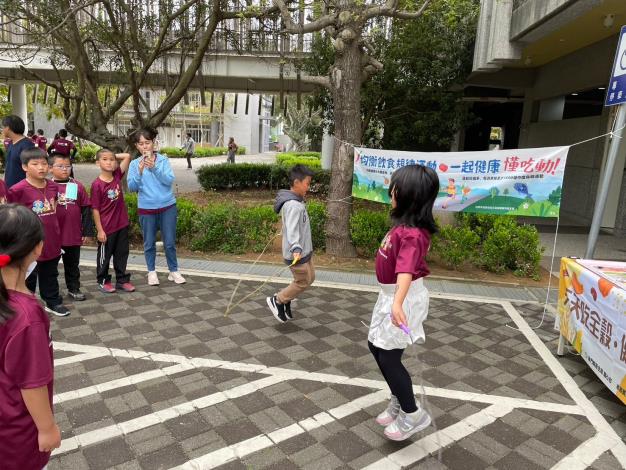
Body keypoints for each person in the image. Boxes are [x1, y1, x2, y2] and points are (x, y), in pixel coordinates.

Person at [368, 164, 438, 441]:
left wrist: (397, 303)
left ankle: (412, 413)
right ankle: (399, 398)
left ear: (408, 194)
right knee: (375, 347)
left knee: (388, 355)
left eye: (395, 187)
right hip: (390, 296)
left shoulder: (413, 235)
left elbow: (406, 270)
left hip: (402, 298)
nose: (390, 191)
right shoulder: (404, 226)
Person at [0, 204, 61, 469]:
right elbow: (32, 383)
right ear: (37, 248)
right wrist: (47, 428)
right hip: (18, 435)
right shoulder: (27, 317)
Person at [8, 148, 70, 317]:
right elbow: (13, 216)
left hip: (51, 239)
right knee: (28, 276)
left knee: (50, 273)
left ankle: (52, 302)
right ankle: (25, 305)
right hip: (28, 242)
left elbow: (55, 207)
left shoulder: (53, 186)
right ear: (24, 167)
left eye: (44, 163)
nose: (41, 168)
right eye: (35, 164)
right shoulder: (17, 190)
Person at [128, 128, 185, 286]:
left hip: (167, 206)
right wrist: (139, 172)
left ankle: (173, 271)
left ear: (153, 143)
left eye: (147, 142)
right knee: (149, 242)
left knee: (169, 242)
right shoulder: (134, 164)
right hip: (146, 208)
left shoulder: (162, 160)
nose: (145, 146)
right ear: (137, 146)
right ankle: (151, 272)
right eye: (141, 144)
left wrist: (154, 168)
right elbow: (132, 187)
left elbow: (168, 180)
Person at [266, 164, 315, 323]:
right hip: (297, 253)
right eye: (307, 183)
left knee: (310, 278)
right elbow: (293, 229)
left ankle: (285, 300)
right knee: (303, 281)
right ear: (296, 183)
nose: (309, 187)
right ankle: (278, 300)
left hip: (305, 252)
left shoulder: (297, 201)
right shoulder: (293, 205)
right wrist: (296, 247)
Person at [50, 153, 94, 301]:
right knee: (50, 268)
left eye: (68, 166)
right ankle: (51, 293)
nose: (65, 169)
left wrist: (87, 232)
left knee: (72, 265)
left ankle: (73, 288)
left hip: (72, 234)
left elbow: (86, 209)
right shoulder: (46, 186)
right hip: (53, 237)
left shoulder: (77, 186)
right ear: (50, 168)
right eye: (60, 166)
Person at [91, 149, 134, 294]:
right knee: (104, 256)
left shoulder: (116, 176)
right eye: (104, 159)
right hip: (107, 228)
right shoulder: (97, 185)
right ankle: (103, 281)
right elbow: (95, 209)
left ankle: (122, 280)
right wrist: (100, 230)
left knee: (122, 254)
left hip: (121, 224)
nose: (109, 162)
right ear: (98, 163)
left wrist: (112, 156)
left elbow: (127, 156)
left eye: (111, 160)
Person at [2, 115, 35, 188]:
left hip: (23, 191)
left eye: (3, 127)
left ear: (8, 128)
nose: (2, 130)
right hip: (10, 189)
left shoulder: (27, 145)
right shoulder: (11, 143)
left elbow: (33, 170)